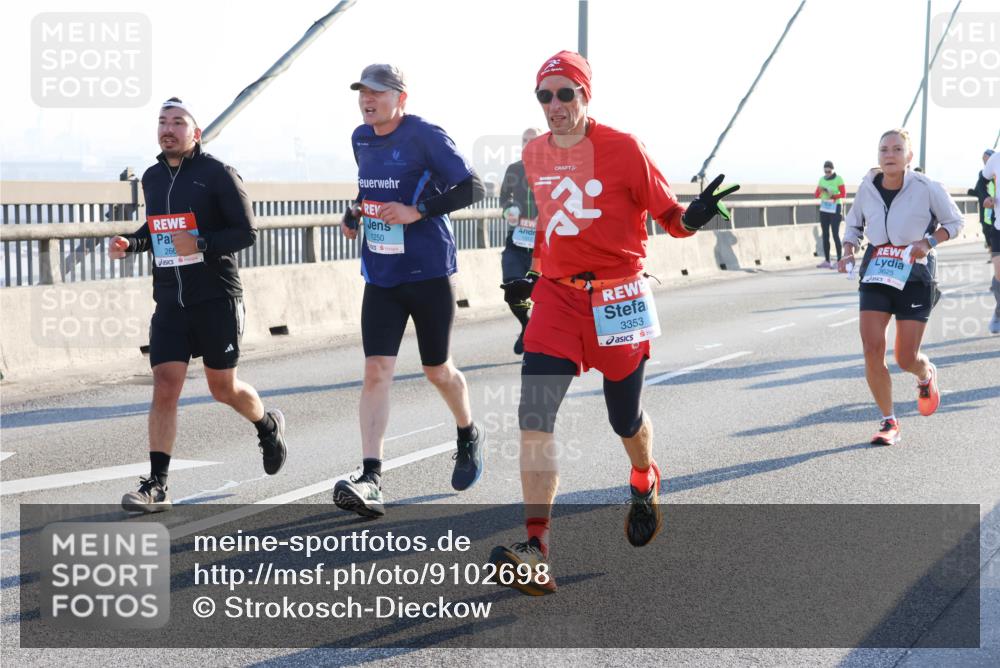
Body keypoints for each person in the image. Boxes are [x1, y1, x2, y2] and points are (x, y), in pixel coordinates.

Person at [488, 51, 738, 595]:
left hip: (618, 297)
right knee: (534, 418)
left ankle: (644, 479)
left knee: (624, 419)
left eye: (565, 94)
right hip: (556, 300)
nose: (554, 106)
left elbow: (669, 218)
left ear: (585, 96)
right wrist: (533, 274)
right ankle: (536, 547)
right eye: (544, 96)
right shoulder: (534, 153)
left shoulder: (624, 149)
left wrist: (692, 216)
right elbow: (552, 223)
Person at [108, 98, 287, 513]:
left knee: (222, 388)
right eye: (162, 122)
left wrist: (203, 243)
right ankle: (157, 485)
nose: (167, 129)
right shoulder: (153, 177)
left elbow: (246, 232)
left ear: (196, 132)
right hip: (171, 299)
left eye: (177, 122)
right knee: (165, 386)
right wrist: (131, 243)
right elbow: (156, 229)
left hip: (216, 298)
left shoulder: (218, 174)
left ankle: (267, 424)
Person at [332, 64, 487, 518]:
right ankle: (372, 478)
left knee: (437, 369)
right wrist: (354, 213)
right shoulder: (361, 138)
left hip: (428, 273)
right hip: (381, 274)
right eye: (362, 91)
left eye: (377, 92)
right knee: (376, 371)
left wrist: (418, 211)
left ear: (401, 97)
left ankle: (467, 432)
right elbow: (371, 189)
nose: (367, 99)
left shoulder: (425, 135)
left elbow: (472, 187)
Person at [838, 128, 964, 445]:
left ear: (908, 156)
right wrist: (848, 251)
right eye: (884, 150)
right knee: (871, 347)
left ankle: (925, 375)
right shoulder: (867, 187)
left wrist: (929, 241)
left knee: (905, 358)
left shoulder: (927, 187)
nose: (889, 155)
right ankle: (889, 421)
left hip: (915, 271)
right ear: (878, 156)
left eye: (896, 149)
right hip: (877, 269)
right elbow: (853, 224)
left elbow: (955, 222)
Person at [499, 128, 543, 354]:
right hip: (516, 240)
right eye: (524, 140)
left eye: (532, 140)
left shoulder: (551, 169)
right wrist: (509, 212)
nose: (528, 144)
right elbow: (504, 199)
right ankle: (526, 324)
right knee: (511, 286)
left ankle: (534, 330)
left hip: (543, 245)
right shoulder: (514, 169)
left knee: (542, 293)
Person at [981, 149, 1000, 334]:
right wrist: (986, 197)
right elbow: (982, 181)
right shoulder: (996, 159)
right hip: (999, 228)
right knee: (999, 274)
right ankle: (999, 311)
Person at [815, 160, 846, 268]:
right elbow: (816, 194)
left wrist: (833, 195)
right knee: (825, 235)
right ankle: (827, 261)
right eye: (825, 171)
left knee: (835, 234)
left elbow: (843, 194)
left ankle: (839, 260)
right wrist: (822, 191)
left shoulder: (838, 179)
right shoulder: (821, 179)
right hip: (824, 208)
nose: (827, 173)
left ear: (833, 170)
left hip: (835, 208)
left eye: (829, 171)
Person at [968, 149, 995, 258]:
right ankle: (992, 253)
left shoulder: (996, 172)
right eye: (983, 159)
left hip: (996, 207)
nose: (984, 161)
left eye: (986, 158)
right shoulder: (982, 174)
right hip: (986, 208)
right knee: (986, 230)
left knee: (994, 230)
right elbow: (979, 189)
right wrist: (971, 192)